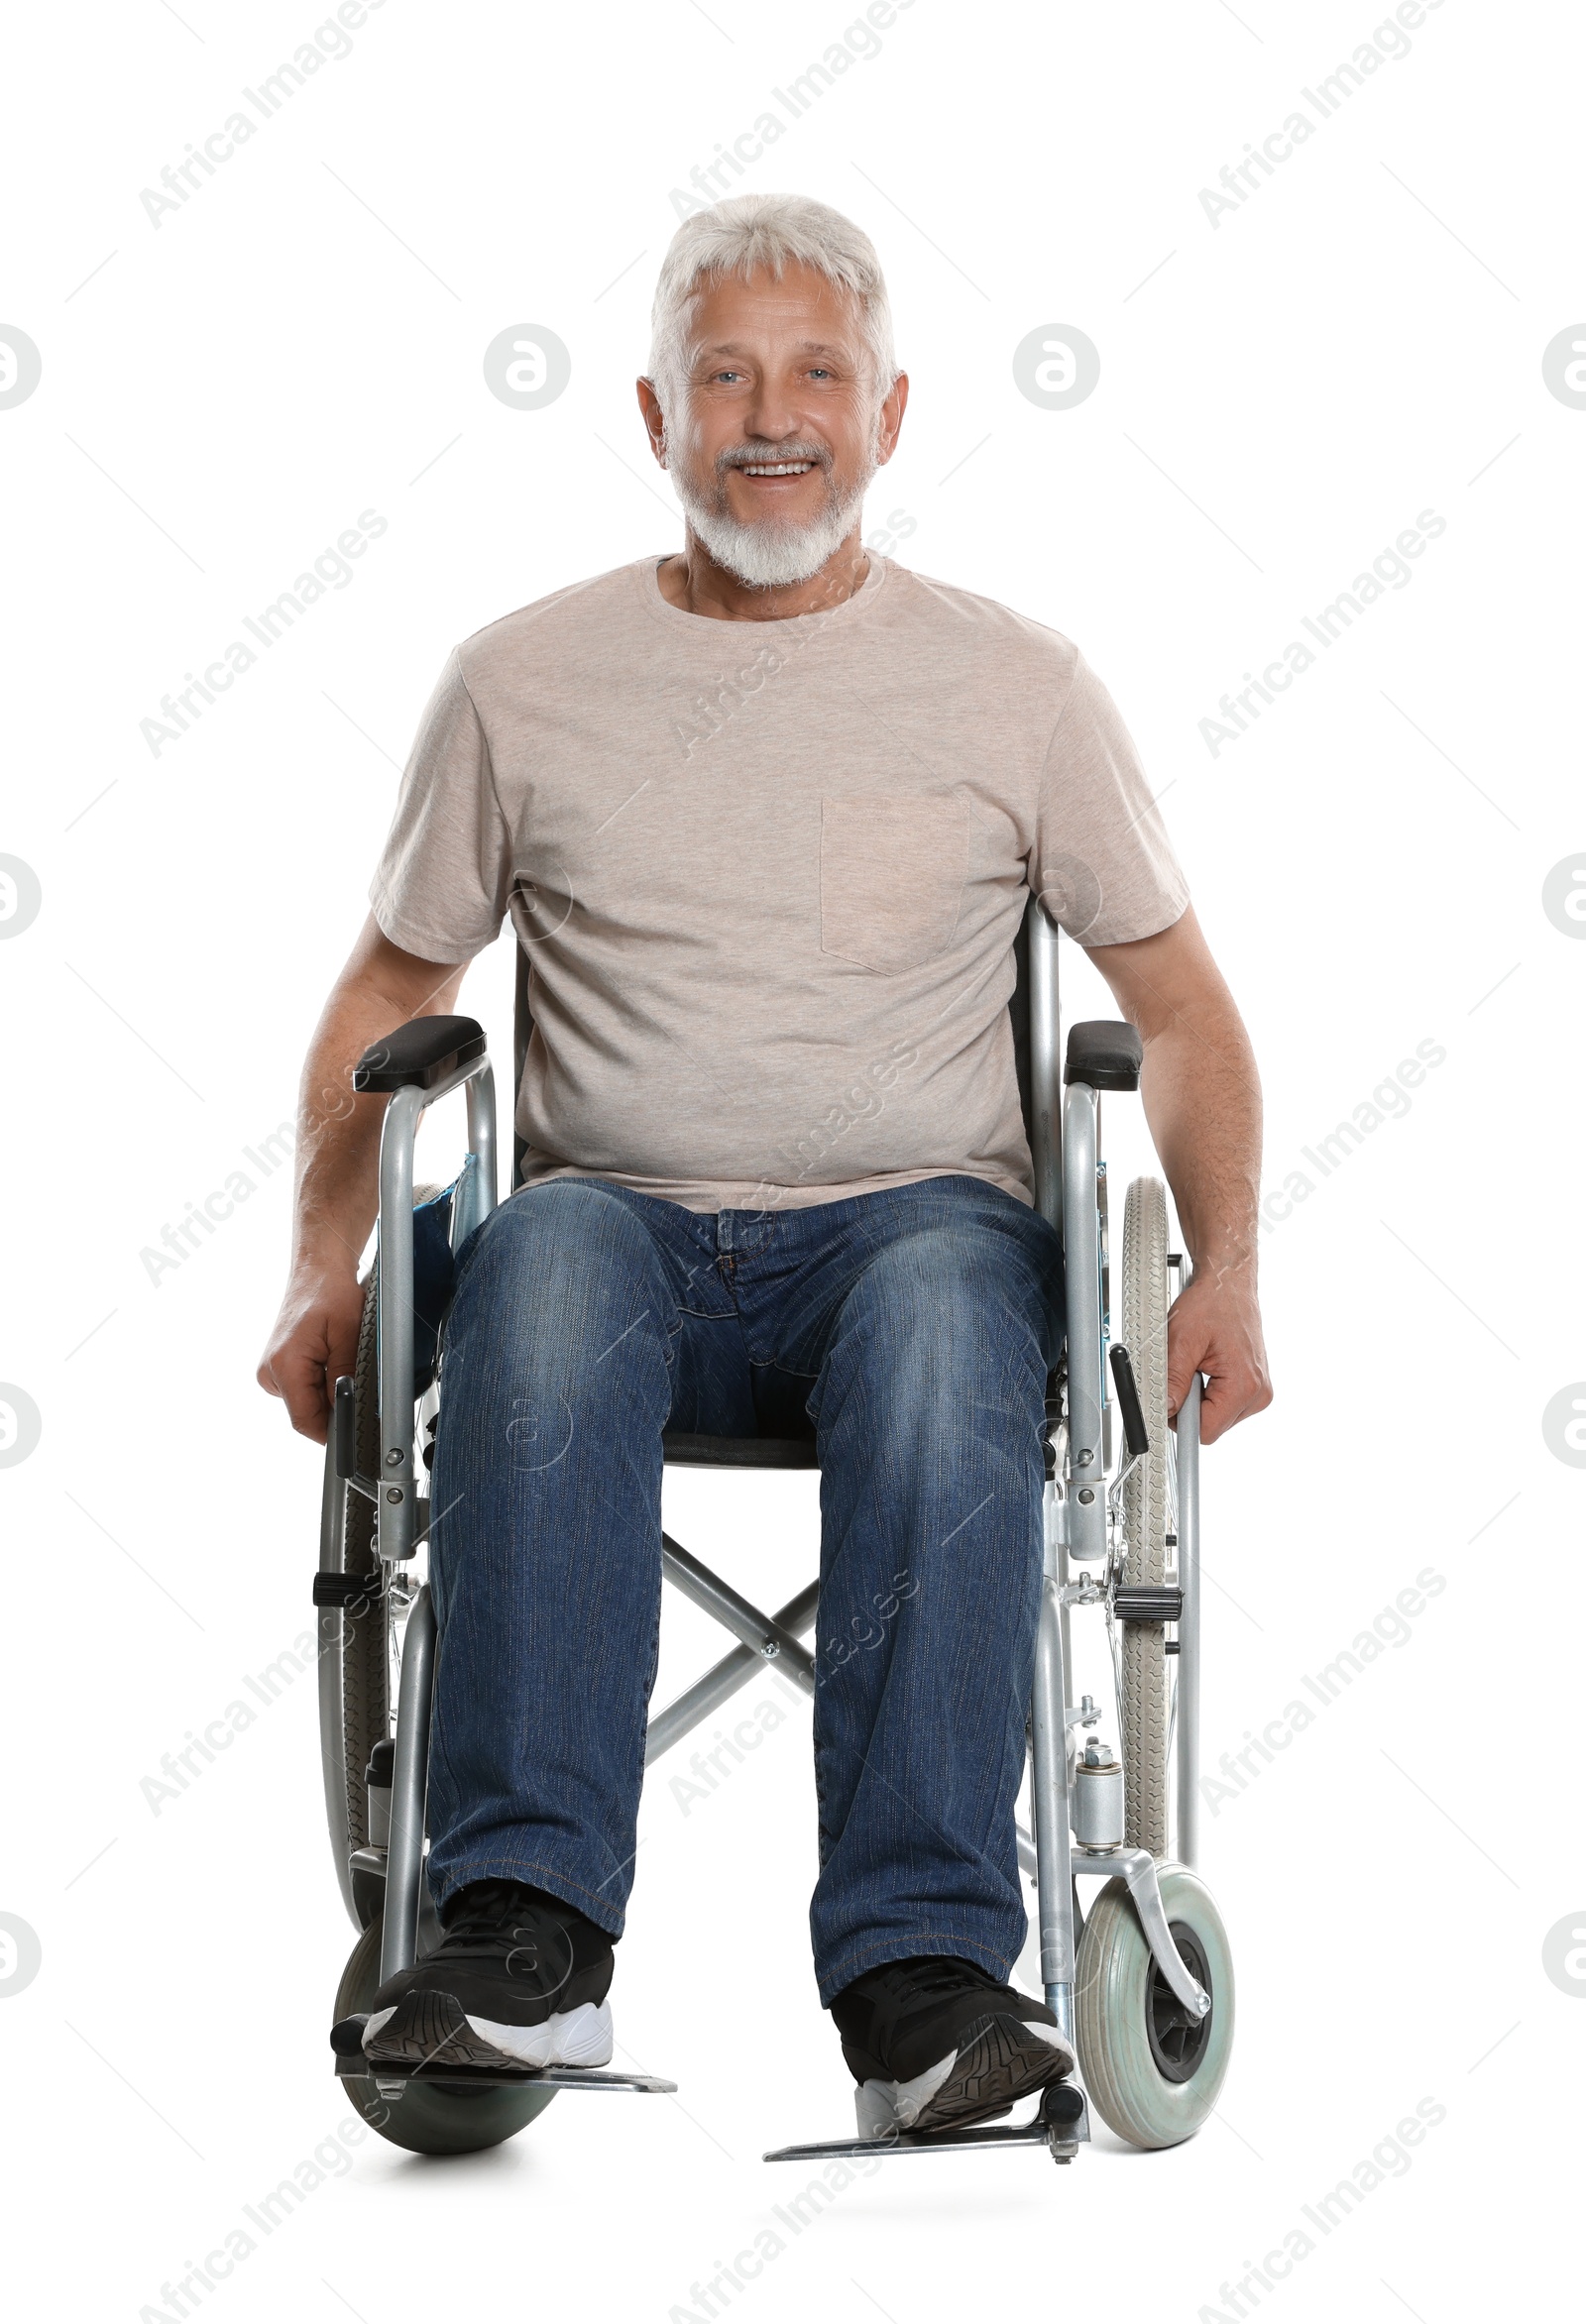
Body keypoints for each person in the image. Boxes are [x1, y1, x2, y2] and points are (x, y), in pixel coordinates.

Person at [259, 192, 1271, 2136]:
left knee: (948, 1324)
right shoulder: (516, 680)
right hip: (609, 1235)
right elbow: (390, 988)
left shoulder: (1019, 690)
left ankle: (922, 1975)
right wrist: (324, 1270)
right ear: (652, 416)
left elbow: (1184, 1011)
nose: (770, 415)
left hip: (914, 1235)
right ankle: (517, 1934)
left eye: (816, 372)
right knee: (542, 1268)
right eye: (723, 374)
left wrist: (1219, 1266)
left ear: (891, 412)